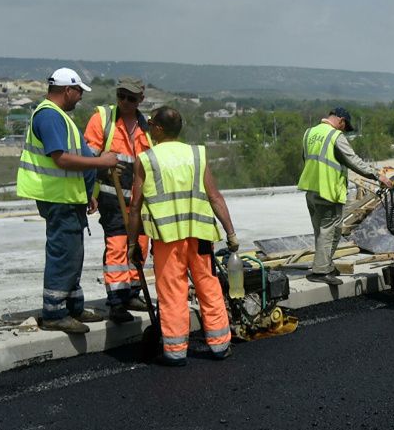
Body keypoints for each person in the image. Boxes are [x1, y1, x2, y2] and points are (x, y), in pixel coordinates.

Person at [125, 107, 236, 367]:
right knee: (208, 286)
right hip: (199, 237)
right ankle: (220, 345)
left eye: (151, 123)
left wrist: (132, 244)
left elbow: (135, 207)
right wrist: (230, 232)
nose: (149, 127)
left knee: (172, 292)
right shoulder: (197, 154)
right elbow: (215, 197)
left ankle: (175, 352)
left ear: (159, 129)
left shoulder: (147, 159)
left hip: (167, 239)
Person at [16, 68, 119, 333]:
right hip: (57, 198)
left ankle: (72, 306)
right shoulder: (49, 116)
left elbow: (80, 156)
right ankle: (54, 312)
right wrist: (101, 162)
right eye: (78, 92)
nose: (80, 98)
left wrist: (87, 193)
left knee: (74, 252)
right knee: (63, 252)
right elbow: (61, 159)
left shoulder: (60, 117)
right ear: (67, 90)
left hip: (70, 198)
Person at [84, 77, 152, 323]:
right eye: (121, 95)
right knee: (117, 248)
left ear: (140, 100)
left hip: (140, 202)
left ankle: (132, 292)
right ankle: (116, 302)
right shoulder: (102, 120)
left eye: (131, 98)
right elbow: (88, 159)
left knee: (140, 246)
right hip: (113, 200)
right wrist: (100, 170)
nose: (124, 101)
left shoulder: (147, 127)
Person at [296, 107, 390, 286]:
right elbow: (353, 161)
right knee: (331, 231)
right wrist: (378, 175)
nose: (343, 131)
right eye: (344, 128)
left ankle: (325, 264)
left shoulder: (309, 133)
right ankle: (321, 271)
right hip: (328, 191)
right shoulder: (335, 136)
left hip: (311, 189)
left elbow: (305, 158)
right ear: (341, 121)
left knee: (321, 232)